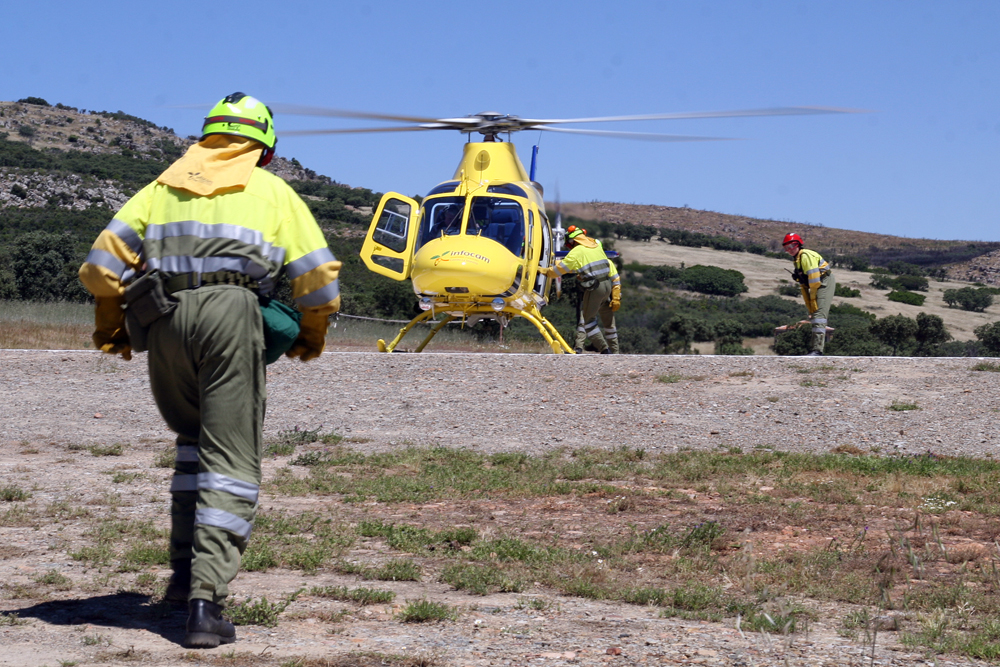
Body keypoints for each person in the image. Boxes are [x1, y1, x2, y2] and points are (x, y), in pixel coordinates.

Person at [78, 92, 341, 649]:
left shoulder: (160, 188)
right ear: (263, 149)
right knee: (232, 457)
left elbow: (101, 269)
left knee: (193, 442)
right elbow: (319, 281)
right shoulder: (272, 191)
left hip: (164, 317)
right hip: (231, 313)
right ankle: (205, 602)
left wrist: (113, 329)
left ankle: (179, 578)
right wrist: (310, 335)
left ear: (204, 139)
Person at [541, 227, 620, 354]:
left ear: (572, 241)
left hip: (595, 288)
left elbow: (557, 272)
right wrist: (616, 297)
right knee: (608, 324)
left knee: (588, 321)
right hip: (607, 287)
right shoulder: (595, 247)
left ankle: (604, 349)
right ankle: (611, 351)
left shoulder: (576, 252)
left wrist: (544, 271)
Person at [782, 232, 834, 356]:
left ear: (799, 245)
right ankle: (815, 349)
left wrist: (812, 299)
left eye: (792, 245)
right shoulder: (797, 259)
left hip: (823, 281)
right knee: (815, 314)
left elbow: (814, 281)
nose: (790, 249)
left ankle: (817, 350)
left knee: (819, 315)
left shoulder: (805, 256)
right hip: (817, 283)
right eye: (786, 248)